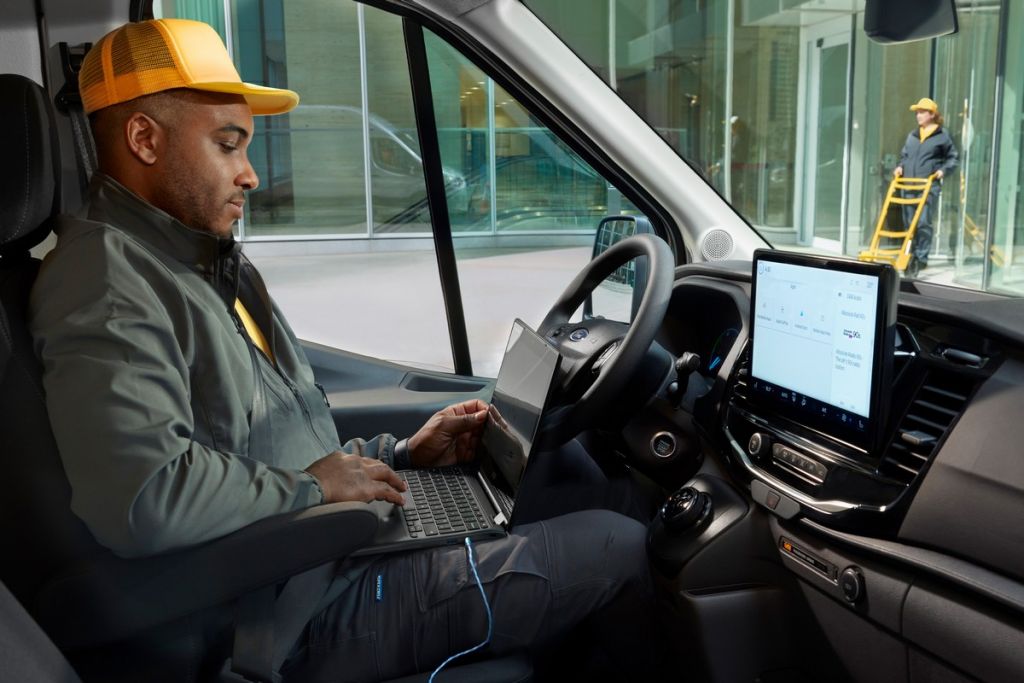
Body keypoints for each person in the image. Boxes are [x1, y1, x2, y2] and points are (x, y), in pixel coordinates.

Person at [28, 19, 662, 683]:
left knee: (595, 491)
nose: (250, 174)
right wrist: (315, 488)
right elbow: (145, 497)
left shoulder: (197, 260)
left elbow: (267, 441)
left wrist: (399, 456)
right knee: (622, 544)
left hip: (328, 554)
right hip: (295, 611)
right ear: (144, 139)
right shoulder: (105, 281)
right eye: (227, 144)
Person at [893, 97, 959, 277]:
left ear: (932, 114)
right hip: (908, 186)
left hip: (928, 187)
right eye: (917, 112)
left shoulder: (942, 136)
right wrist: (900, 167)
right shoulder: (912, 136)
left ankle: (921, 258)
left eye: (922, 112)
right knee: (909, 225)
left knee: (923, 223)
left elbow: (953, 158)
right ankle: (910, 255)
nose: (918, 115)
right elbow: (904, 156)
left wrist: (943, 171)